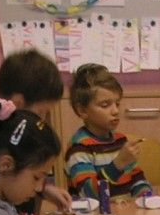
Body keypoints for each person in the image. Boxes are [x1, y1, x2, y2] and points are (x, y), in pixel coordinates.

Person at [0, 48, 74, 215]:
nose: (42, 121)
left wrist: (43, 188)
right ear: (18, 103)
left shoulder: (9, 130)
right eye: (41, 112)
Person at [64, 64, 154, 205]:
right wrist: (118, 164)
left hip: (124, 213)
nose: (115, 111)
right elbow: (88, 193)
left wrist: (147, 195)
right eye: (105, 105)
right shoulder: (79, 147)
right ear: (82, 111)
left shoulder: (120, 140)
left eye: (117, 104)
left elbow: (136, 179)